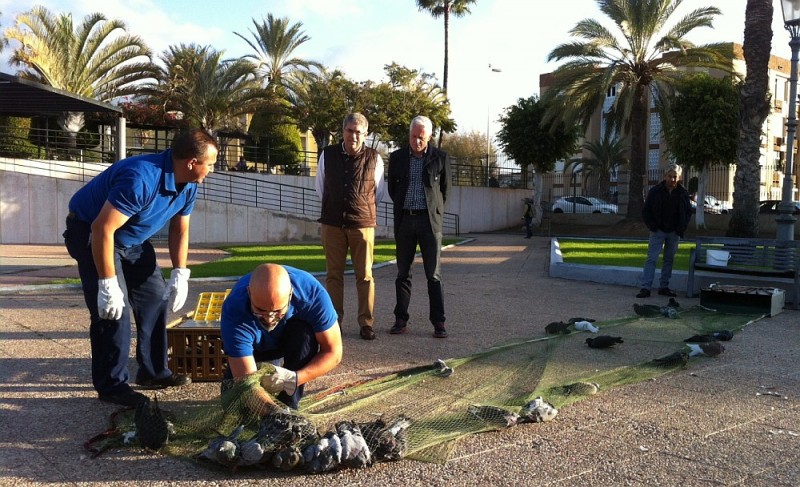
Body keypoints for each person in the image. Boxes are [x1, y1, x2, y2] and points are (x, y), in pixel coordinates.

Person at [63, 129, 218, 407]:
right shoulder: (141, 178)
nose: (213, 170)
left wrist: (180, 272)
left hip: (132, 240)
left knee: (155, 297)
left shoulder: (190, 184)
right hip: (91, 233)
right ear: (192, 162)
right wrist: (107, 284)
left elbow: (180, 229)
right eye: (211, 164)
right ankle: (112, 386)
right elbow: (102, 228)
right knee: (113, 311)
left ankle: (154, 372)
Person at [219, 263, 342, 412]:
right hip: (254, 348)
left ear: (291, 295)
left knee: (304, 334)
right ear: (249, 293)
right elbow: (247, 384)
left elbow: (333, 352)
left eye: (278, 311)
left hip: (290, 340)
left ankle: (289, 403)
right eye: (260, 310)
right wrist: (275, 415)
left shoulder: (312, 295)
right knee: (237, 404)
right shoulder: (235, 309)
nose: (269, 319)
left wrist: (294, 379)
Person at [315, 113, 386, 341]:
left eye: (358, 132)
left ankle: (366, 323)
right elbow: (320, 188)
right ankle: (335, 322)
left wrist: (360, 207)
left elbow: (379, 193)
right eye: (349, 130)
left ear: (365, 134)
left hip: (362, 224)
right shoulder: (327, 155)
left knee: (364, 275)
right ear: (342, 131)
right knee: (333, 276)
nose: (353, 136)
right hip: (332, 223)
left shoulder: (375, 158)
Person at [387, 115, 451, 338]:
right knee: (403, 273)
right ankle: (400, 319)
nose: (417, 142)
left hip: (429, 223)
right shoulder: (396, 158)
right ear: (409, 135)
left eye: (421, 137)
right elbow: (392, 190)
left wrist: (434, 213)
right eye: (414, 137)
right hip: (405, 220)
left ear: (429, 136)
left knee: (433, 275)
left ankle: (439, 323)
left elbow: (444, 192)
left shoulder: (440, 158)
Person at [637, 163, 692, 298]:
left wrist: (682, 226)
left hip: (674, 231)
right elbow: (646, 210)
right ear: (665, 176)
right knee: (652, 258)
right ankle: (646, 288)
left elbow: (688, 211)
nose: (672, 179)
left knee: (669, 259)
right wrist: (652, 226)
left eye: (675, 177)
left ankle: (664, 286)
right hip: (658, 230)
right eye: (670, 176)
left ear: (679, 178)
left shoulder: (683, 193)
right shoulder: (655, 191)